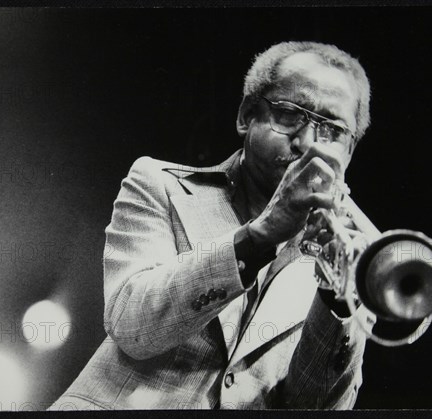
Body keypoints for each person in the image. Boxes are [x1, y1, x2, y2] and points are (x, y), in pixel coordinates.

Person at [50, 41, 375, 410]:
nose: (307, 143)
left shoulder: (356, 252)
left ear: (349, 152)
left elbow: (315, 406)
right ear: (246, 116)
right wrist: (258, 238)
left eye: (332, 129)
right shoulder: (159, 184)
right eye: (288, 114)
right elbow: (133, 327)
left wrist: (336, 298)